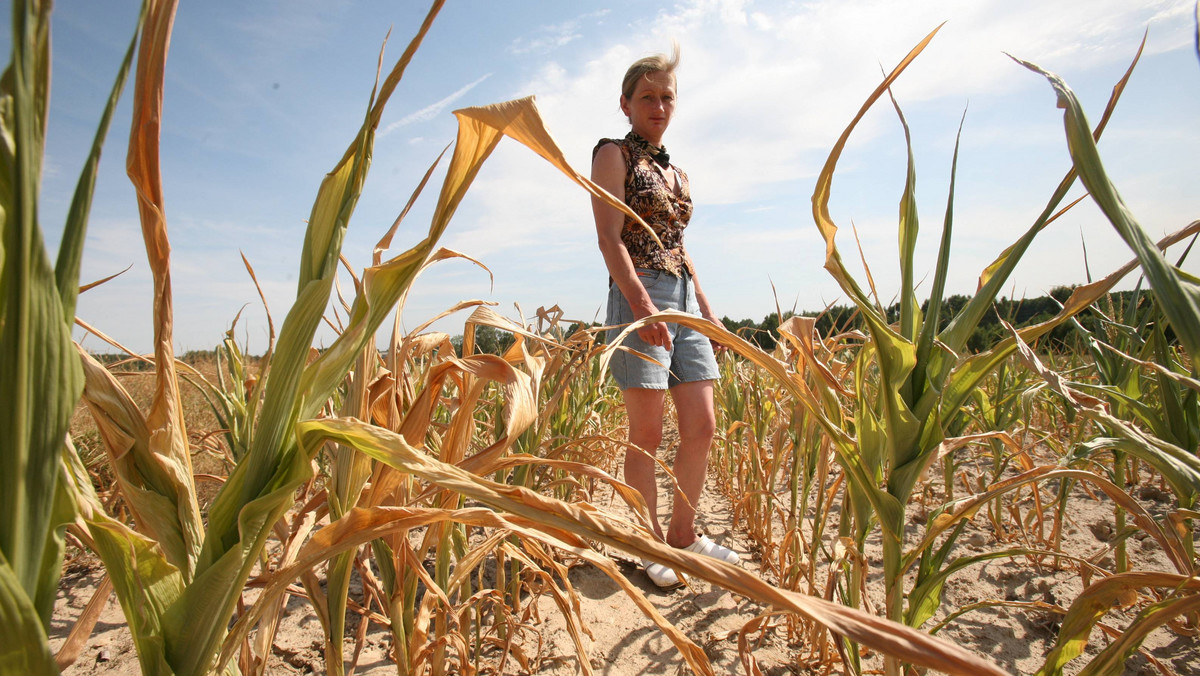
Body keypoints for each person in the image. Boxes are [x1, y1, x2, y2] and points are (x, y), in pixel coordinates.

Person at [590, 46, 739, 588]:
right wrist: (641, 304)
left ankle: (683, 536)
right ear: (626, 104)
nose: (658, 105)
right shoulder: (613, 155)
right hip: (641, 293)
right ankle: (650, 543)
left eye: (666, 97)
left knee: (702, 424)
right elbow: (610, 238)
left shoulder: (676, 171)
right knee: (647, 432)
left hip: (680, 296)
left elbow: (679, 245)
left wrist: (706, 309)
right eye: (647, 96)